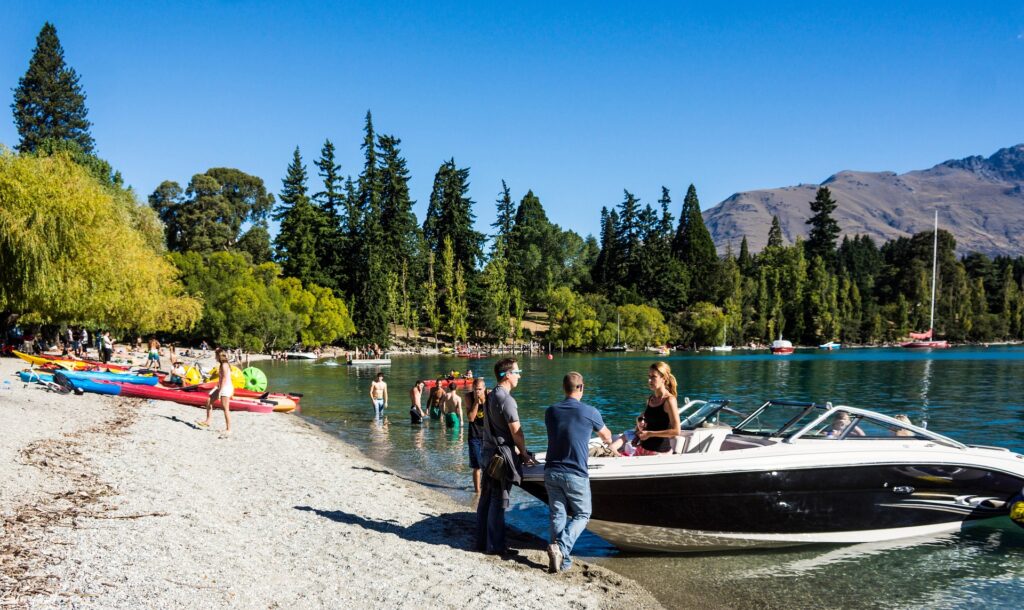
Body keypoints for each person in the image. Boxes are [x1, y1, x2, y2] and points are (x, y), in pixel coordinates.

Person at [544, 372, 615, 573]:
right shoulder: (590, 412)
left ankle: (562, 562)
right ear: (581, 388)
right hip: (575, 471)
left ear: (563, 388)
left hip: (551, 470)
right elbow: (607, 436)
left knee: (558, 514)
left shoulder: (551, 411)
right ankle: (562, 548)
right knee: (583, 513)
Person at [476, 358, 536, 556]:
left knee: (486, 498)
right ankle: (495, 546)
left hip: (488, 453)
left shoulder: (490, 395)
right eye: (517, 372)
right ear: (507, 375)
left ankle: (482, 540)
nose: (520, 376)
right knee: (498, 500)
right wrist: (524, 453)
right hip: (500, 457)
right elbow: (516, 432)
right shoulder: (506, 400)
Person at [632, 362, 682, 456]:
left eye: (653, 377)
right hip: (642, 449)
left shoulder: (669, 400)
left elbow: (676, 431)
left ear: (664, 378)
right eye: (649, 376)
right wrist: (638, 437)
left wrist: (649, 434)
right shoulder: (651, 399)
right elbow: (649, 425)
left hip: (659, 453)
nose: (649, 380)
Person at [198, 350, 233, 437]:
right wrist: (217, 386)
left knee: (225, 409)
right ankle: (208, 421)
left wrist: (220, 390)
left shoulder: (224, 365)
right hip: (222, 387)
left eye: (216, 355)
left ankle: (229, 429)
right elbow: (222, 379)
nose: (215, 357)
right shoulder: (222, 364)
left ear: (219, 356)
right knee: (209, 401)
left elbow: (225, 379)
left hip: (225, 388)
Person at [466, 378, 488, 493]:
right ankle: (477, 492)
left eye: (479, 389)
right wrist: (476, 401)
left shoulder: (489, 396)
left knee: (488, 465)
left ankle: (486, 489)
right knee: (477, 466)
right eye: (475, 389)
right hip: (474, 436)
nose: (477, 391)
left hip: (487, 436)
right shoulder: (469, 397)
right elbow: (470, 418)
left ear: (484, 389)